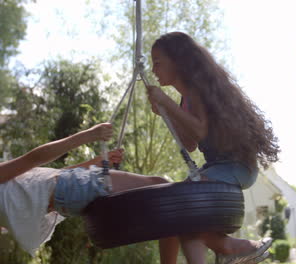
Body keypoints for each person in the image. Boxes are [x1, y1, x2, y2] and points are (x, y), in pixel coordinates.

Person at [146, 32, 281, 264]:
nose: (153, 70)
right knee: (181, 218)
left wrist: (165, 102)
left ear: (177, 61)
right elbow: (189, 144)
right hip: (218, 166)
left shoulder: (198, 90)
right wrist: (166, 113)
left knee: (179, 202)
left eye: (157, 62)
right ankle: (225, 251)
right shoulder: (185, 99)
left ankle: (234, 246)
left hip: (237, 166)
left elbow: (200, 130)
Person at [0, 123, 177, 257]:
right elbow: (35, 158)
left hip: (67, 200)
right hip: (69, 189)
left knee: (163, 206)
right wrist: (88, 135)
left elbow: (49, 181)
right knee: (164, 188)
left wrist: (94, 162)